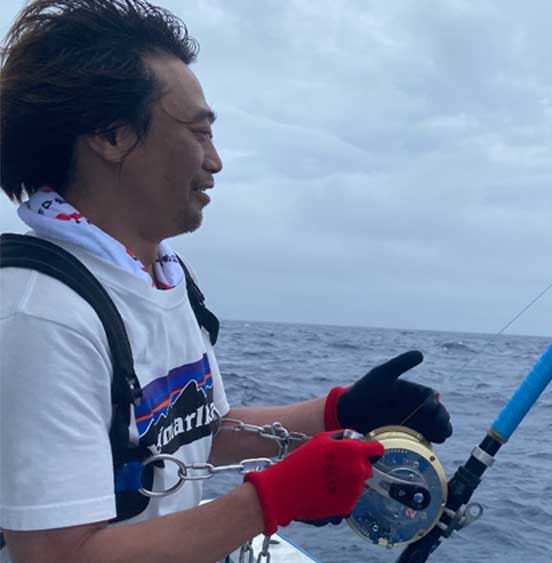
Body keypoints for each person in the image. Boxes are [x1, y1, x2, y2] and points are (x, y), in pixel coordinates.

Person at [0, 1, 452, 561]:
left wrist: (339, 412)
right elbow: (55, 555)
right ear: (111, 135)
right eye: (198, 132)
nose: (215, 161)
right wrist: (268, 502)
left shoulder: (158, 275)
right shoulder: (40, 315)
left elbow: (200, 434)